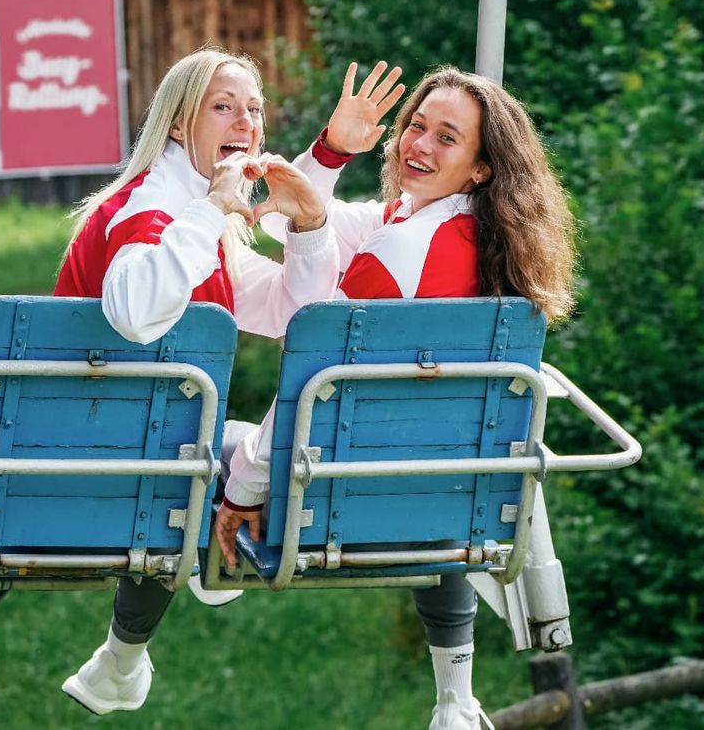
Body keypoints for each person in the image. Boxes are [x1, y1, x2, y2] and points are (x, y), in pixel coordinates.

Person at [0, 44, 406, 730]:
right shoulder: (151, 210)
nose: (246, 122)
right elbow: (134, 310)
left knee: (169, 457)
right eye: (224, 106)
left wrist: (313, 216)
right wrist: (215, 210)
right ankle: (128, 652)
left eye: (255, 109)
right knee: (218, 460)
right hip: (120, 477)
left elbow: (292, 313)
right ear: (179, 124)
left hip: (47, 474)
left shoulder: (198, 220)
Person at [215, 65, 577, 730]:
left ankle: (129, 648)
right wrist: (329, 155)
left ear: (480, 168)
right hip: (448, 496)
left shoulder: (399, 251)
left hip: (340, 495)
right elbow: (296, 222)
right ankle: (455, 698)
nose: (420, 144)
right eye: (417, 126)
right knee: (433, 446)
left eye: (446, 137)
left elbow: (311, 385)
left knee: (209, 446)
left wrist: (242, 490)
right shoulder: (472, 240)